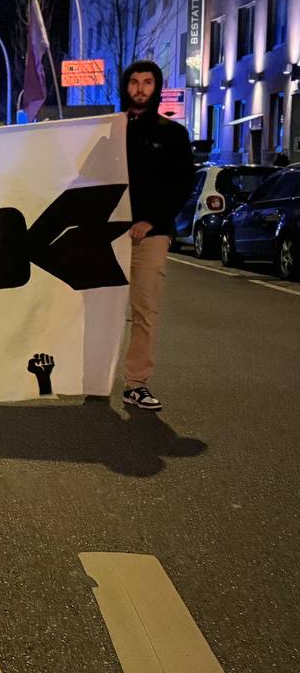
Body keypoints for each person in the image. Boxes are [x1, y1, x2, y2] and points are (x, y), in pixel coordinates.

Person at [119, 60, 195, 412]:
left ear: (157, 87)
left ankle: (136, 383)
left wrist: (151, 220)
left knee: (144, 310)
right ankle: (91, 377)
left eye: (147, 82)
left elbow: (182, 184)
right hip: (108, 235)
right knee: (96, 309)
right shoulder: (110, 130)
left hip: (149, 236)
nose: (140, 89)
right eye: (134, 82)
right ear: (125, 86)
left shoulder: (172, 134)